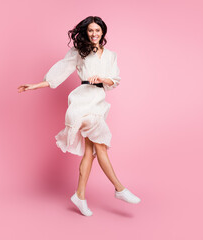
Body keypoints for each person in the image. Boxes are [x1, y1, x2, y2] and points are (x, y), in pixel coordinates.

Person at [17, 16, 140, 216]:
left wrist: (101, 78)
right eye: (90, 30)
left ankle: (79, 195)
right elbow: (60, 72)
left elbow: (114, 80)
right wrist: (35, 85)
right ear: (86, 32)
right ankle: (119, 188)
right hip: (82, 103)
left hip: (98, 102)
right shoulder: (79, 52)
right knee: (100, 145)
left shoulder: (110, 55)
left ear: (103, 32)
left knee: (90, 151)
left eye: (97, 30)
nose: (94, 34)